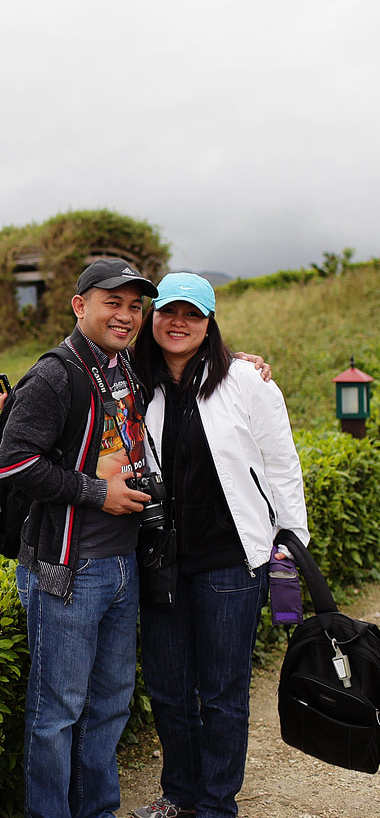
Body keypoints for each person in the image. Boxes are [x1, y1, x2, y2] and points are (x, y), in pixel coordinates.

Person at [129, 273, 310, 818]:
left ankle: (215, 805)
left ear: (210, 324)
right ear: (153, 317)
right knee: (166, 687)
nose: (178, 323)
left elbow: (282, 465)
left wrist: (290, 547)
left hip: (231, 562)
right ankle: (179, 795)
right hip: (160, 561)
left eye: (193, 314)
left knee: (224, 691)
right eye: (168, 312)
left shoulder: (248, 382)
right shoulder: (135, 382)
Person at [0, 257, 157, 818]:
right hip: (69, 568)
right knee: (57, 711)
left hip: (120, 563)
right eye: (113, 302)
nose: (126, 315)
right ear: (79, 305)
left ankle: (97, 811)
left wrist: (240, 362)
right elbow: (12, 464)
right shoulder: (56, 372)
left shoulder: (126, 369)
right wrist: (97, 493)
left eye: (135, 306)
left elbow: (190, 358)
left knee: (110, 705)